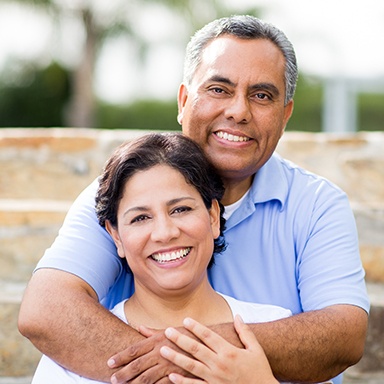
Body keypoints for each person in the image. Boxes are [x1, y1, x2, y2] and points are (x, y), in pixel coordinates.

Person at [18, 15, 369, 384]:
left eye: (262, 96)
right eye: (218, 89)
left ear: (285, 115)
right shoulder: (123, 192)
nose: (238, 111)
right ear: (184, 100)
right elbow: (47, 310)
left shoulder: (317, 205)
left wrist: (196, 354)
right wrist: (184, 364)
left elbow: (343, 335)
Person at [31, 132, 292, 384]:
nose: (165, 233)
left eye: (181, 209)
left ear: (213, 217)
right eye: (140, 218)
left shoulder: (273, 325)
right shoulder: (73, 354)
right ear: (117, 236)